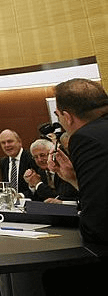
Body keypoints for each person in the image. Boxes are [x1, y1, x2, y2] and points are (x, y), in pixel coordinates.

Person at [41, 78, 108, 296]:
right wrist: (73, 179)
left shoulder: (85, 137)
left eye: (58, 116)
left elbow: (98, 225)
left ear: (67, 117)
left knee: (55, 276)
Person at [0, 129, 37, 194]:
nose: (6, 145)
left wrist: (20, 196)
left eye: (10, 141)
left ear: (19, 142)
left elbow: (36, 188)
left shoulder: (32, 158)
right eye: (3, 143)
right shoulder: (3, 162)